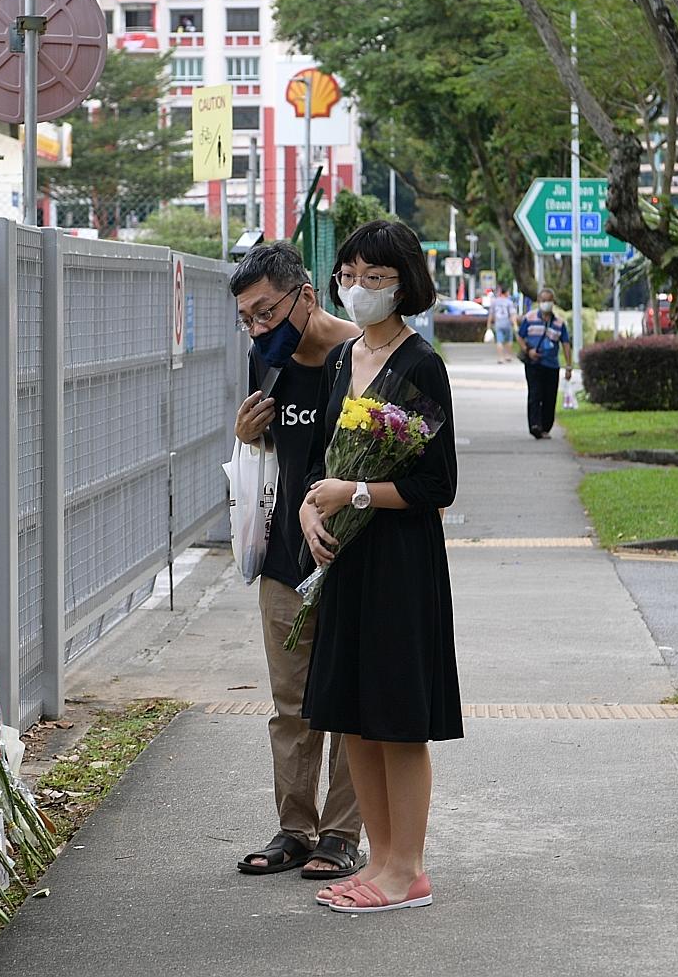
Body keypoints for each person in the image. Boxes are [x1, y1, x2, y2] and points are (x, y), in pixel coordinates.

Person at [298, 220, 461, 914]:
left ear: (405, 284)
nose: (358, 287)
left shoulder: (420, 364)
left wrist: (356, 493)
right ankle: (380, 860)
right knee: (354, 716)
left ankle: (408, 871)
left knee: (397, 719)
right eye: (349, 274)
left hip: (399, 563)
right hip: (346, 559)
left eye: (375, 277)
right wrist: (311, 510)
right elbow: (323, 463)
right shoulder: (343, 359)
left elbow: (436, 485)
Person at [231, 242, 365, 880]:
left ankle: (341, 834)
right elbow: (270, 451)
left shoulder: (361, 356)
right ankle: (295, 829)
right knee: (292, 704)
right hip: (286, 556)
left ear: (305, 296)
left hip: (352, 555)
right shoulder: (267, 359)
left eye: (265, 312)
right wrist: (246, 435)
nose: (258, 328)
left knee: (349, 702)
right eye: (247, 319)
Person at [515, 288, 573, 439]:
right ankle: (535, 425)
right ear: (539, 302)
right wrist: (528, 350)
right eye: (543, 300)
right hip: (534, 364)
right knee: (535, 394)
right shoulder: (530, 318)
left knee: (549, 397)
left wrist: (568, 365)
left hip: (551, 365)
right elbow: (520, 336)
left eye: (549, 300)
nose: (546, 303)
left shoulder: (559, 323)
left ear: (553, 302)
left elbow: (566, 344)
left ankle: (545, 427)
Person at [488, 288, 518, 363]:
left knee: (499, 341)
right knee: (508, 340)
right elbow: (512, 314)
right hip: (507, 323)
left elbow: (491, 314)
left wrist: (489, 325)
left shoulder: (495, 302)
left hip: (498, 323)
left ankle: (500, 358)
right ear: (506, 293)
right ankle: (508, 355)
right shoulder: (509, 302)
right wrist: (515, 325)